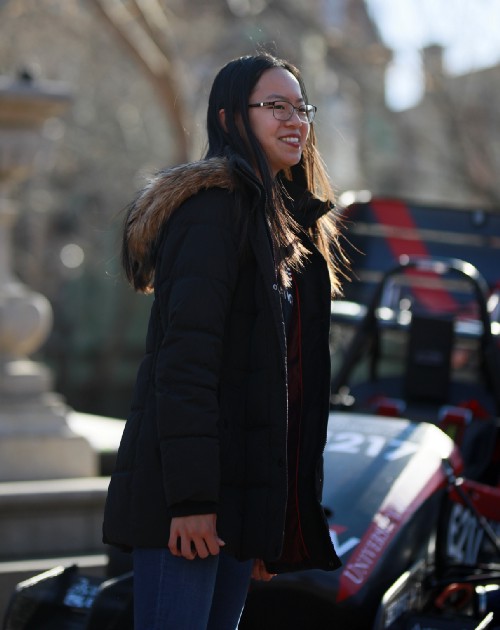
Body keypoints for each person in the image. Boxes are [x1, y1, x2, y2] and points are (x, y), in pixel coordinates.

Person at [102, 52, 344, 630]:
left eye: (300, 107)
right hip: (188, 509)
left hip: (235, 509)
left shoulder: (286, 226)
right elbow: (184, 367)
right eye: (275, 106)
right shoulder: (214, 211)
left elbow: (278, 390)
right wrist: (191, 504)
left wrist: (268, 521)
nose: (295, 121)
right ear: (232, 118)